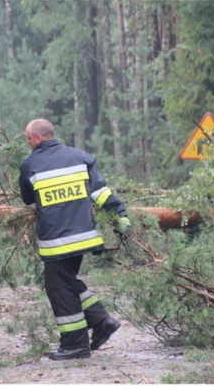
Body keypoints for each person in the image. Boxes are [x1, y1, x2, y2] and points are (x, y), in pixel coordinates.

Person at [19, 119, 131, 360]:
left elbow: (29, 201)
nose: (27, 143)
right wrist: (121, 216)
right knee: (67, 282)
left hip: (56, 241)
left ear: (38, 138)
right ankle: (102, 322)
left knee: (59, 289)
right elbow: (101, 193)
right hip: (83, 238)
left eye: (28, 138)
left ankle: (75, 344)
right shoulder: (81, 157)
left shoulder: (30, 165)